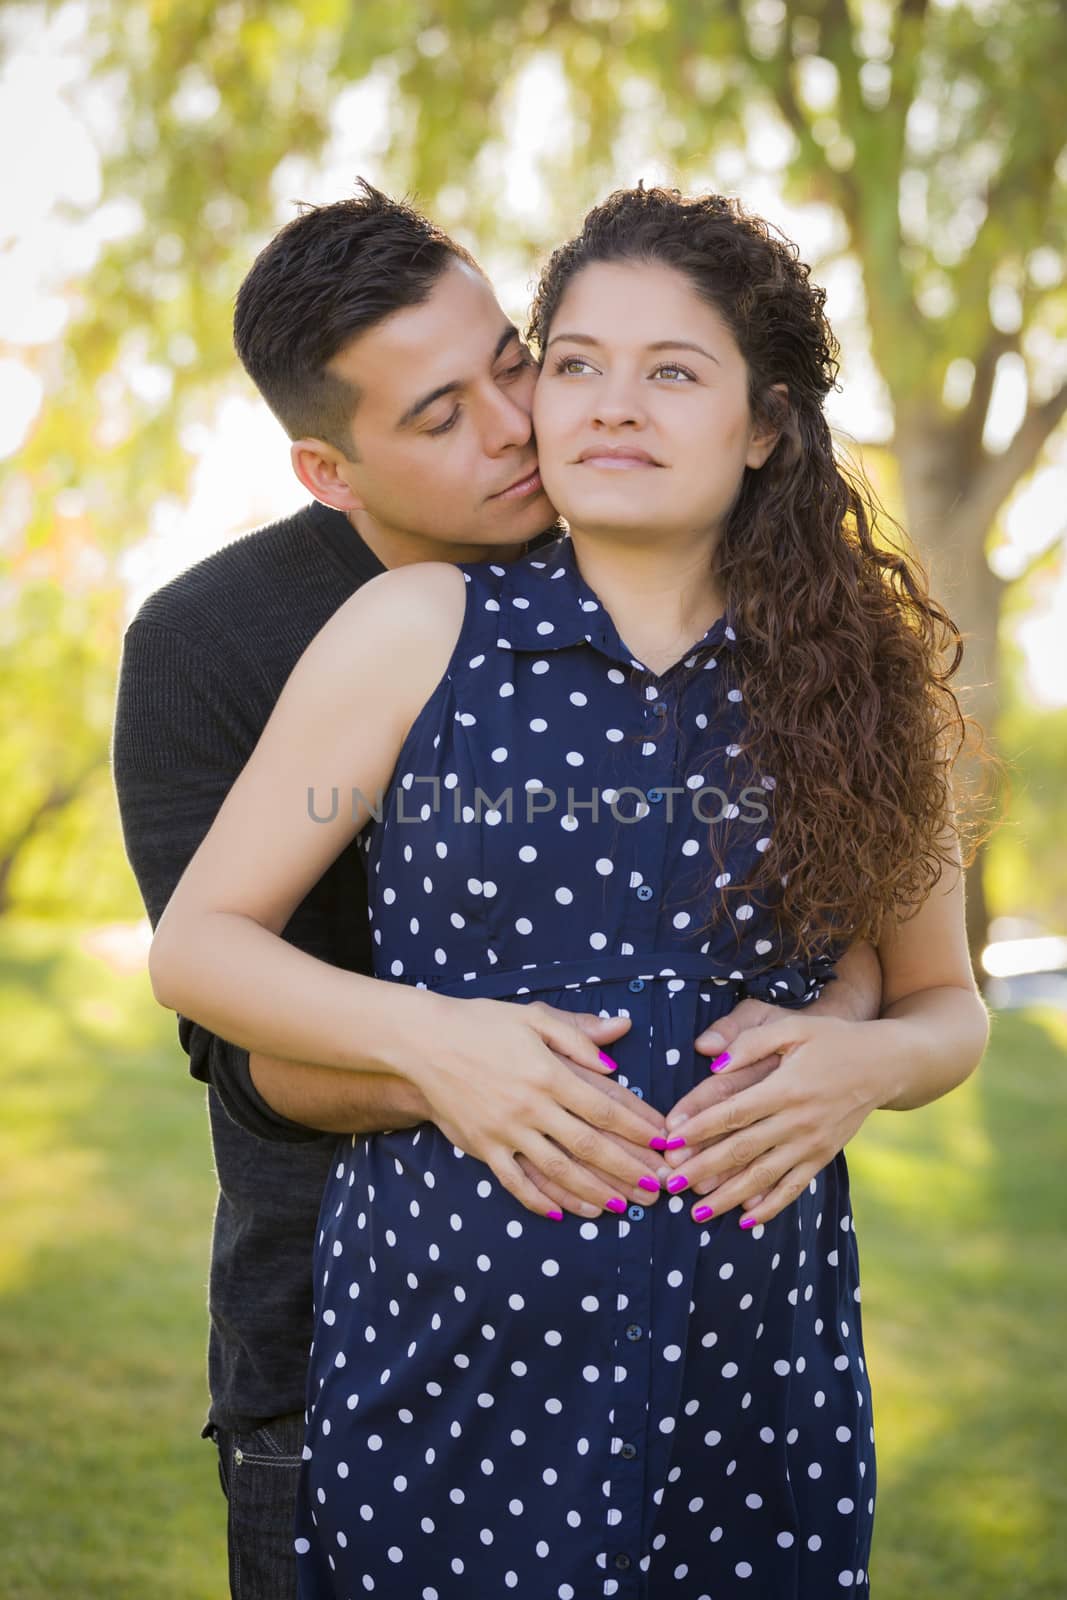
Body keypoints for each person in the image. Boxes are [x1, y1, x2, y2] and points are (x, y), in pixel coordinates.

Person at [147, 184, 989, 1597]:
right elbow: (199, 949)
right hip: (444, 1361)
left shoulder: (861, 679)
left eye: (673, 373)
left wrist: (869, 1062)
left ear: (767, 424)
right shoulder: (414, 627)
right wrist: (434, 1034)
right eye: (580, 362)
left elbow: (945, 1003)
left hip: (749, 1380)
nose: (606, 404)